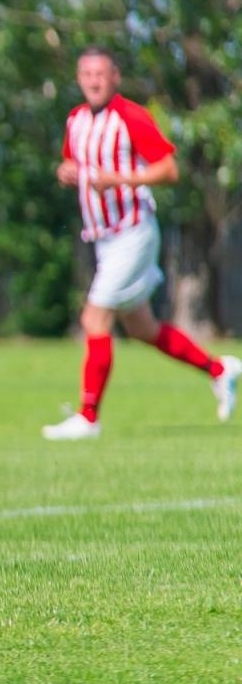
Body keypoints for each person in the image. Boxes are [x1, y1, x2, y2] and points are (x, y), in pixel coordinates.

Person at [44, 46, 240, 440]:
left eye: (101, 74)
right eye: (86, 74)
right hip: (103, 240)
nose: (94, 81)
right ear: (79, 79)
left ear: (115, 77)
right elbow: (75, 166)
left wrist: (118, 179)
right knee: (142, 328)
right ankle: (220, 370)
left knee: (93, 318)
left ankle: (88, 417)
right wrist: (67, 172)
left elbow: (169, 169)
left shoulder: (130, 116)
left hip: (133, 232)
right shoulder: (76, 121)